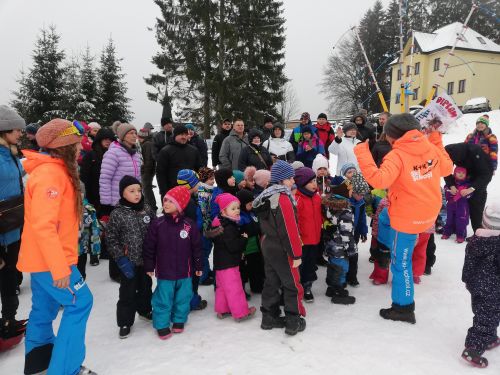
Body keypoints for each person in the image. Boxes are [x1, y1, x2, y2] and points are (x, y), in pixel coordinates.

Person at [354, 113, 453, 323]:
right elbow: (446, 168)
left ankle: (403, 308)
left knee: (401, 263)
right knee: (384, 217)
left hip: (409, 218)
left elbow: (379, 180)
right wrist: (436, 138)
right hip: (427, 211)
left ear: (392, 136)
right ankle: (383, 248)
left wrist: (363, 153)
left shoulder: (397, 155)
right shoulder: (429, 146)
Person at [17, 119, 95, 375]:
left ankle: (39, 360)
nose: (80, 148)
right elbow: (44, 225)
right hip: (52, 261)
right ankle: (66, 369)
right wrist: (59, 267)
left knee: (45, 307)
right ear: (63, 146)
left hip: (43, 260)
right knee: (81, 302)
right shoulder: (50, 175)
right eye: (76, 143)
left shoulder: (56, 170)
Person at [253, 160, 306, 335]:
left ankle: (269, 316)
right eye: (290, 178)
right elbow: (289, 230)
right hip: (283, 248)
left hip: (268, 245)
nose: (293, 181)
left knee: (272, 281)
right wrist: (296, 254)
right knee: (291, 283)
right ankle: (293, 319)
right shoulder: (282, 199)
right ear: (282, 180)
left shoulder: (266, 195)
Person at [143, 186, 203, 340]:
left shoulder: (189, 225)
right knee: (163, 298)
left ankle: (179, 320)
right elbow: (149, 246)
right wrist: (149, 266)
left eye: (171, 201)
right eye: (165, 200)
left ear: (180, 205)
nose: (166, 203)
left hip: (185, 272)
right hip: (165, 272)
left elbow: (197, 247)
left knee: (183, 297)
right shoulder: (158, 224)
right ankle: (162, 324)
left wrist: (198, 265)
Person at [106, 176, 155, 339]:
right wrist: (120, 258)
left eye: (139, 190)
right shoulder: (117, 214)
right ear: (122, 193)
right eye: (132, 191)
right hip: (128, 262)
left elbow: (156, 231)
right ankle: (125, 321)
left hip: (146, 260)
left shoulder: (147, 209)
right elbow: (111, 238)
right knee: (127, 293)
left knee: (146, 287)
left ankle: (145, 309)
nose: (137, 194)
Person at [0, 106, 27, 351]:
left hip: (14, 228)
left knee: (9, 278)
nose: (21, 133)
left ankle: (8, 319)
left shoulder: (11, 154)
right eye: (17, 129)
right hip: (1, 233)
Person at [460, 203, 500, 369]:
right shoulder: (497, 245)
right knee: (486, 318)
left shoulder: (475, 242)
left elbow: (468, 265)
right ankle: (473, 348)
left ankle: (489, 337)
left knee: (486, 314)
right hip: (493, 289)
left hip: (476, 286)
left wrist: (468, 281)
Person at [211, 193, 256, 321]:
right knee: (235, 288)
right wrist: (243, 238)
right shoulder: (229, 227)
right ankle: (241, 312)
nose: (237, 211)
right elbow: (233, 246)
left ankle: (223, 309)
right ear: (223, 210)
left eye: (238, 208)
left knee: (223, 288)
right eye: (233, 208)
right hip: (229, 264)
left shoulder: (219, 223)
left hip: (220, 264)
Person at [444, 143, 493, 233]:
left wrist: (472, 188)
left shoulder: (476, 152)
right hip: (463, 178)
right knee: (458, 206)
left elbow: (486, 175)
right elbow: (445, 170)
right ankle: (456, 228)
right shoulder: (446, 152)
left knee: (476, 206)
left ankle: (478, 233)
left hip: (478, 178)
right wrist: (451, 184)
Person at [322, 193, 356, 304]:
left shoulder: (332, 212)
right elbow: (346, 234)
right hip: (340, 248)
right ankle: (339, 291)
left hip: (332, 247)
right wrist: (348, 249)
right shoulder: (346, 214)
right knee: (341, 269)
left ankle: (331, 288)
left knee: (332, 267)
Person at [294, 167, 322, 303]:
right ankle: (297, 287)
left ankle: (307, 287)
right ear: (302, 183)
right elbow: (295, 220)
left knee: (311, 264)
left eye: (315, 181)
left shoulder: (317, 197)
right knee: (301, 265)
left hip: (315, 239)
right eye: (311, 182)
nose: (314, 184)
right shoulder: (297, 199)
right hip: (302, 241)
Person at [99, 123, 142, 209]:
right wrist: (106, 202)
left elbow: (138, 178)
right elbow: (105, 178)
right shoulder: (113, 153)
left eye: (135, 133)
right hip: (117, 201)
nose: (134, 136)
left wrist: (140, 194)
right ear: (122, 136)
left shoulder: (136, 155)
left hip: (133, 200)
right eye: (131, 133)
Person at [156, 125, 202, 198]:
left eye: (186, 135)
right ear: (175, 135)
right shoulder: (165, 151)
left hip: (191, 190)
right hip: (172, 191)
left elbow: (199, 169)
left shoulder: (193, 150)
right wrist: (164, 192)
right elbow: (161, 173)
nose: (184, 137)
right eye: (181, 134)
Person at [80, 127, 116, 215]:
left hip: (112, 195)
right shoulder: (91, 155)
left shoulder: (116, 155)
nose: (108, 141)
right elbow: (84, 176)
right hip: (93, 195)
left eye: (110, 139)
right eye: (105, 139)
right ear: (99, 139)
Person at [237, 189, 265, 295]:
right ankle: (241, 291)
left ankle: (257, 286)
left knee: (256, 267)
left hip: (255, 247)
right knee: (243, 271)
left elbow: (257, 225)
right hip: (244, 248)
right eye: (249, 204)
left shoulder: (253, 213)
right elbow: (246, 230)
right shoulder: (240, 216)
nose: (252, 205)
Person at [346, 172, 370, 287]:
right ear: (352, 191)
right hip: (344, 233)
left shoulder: (361, 202)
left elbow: (362, 218)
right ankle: (342, 276)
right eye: (359, 194)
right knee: (344, 256)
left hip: (354, 233)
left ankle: (352, 277)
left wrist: (363, 231)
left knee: (354, 255)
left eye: (363, 194)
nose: (361, 197)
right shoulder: (345, 202)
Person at [77, 183, 101, 279]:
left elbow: (95, 230)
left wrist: (95, 250)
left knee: (81, 273)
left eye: (80, 192)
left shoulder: (89, 210)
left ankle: (81, 284)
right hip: (67, 250)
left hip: (83, 248)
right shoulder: (62, 209)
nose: (77, 194)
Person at [442, 167, 472, 243]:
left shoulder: (467, 184)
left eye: (463, 173)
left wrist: (466, 193)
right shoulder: (451, 183)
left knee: (461, 221)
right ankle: (447, 232)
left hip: (462, 206)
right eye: (459, 172)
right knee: (449, 220)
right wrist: (450, 192)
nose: (461, 174)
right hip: (451, 206)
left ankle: (460, 235)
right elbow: (445, 190)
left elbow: (470, 194)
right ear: (455, 174)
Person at [197, 167, 216, 285]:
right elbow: (204, 212)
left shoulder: (209, 190)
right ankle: (202, 277)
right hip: (205, 227)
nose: (213, 181)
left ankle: (207, 271)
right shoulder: (203, 192)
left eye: (213, 178)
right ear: (204, 179)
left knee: (206, 250)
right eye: (211, 179)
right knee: (204, 251)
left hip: (207, 225)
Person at [138, 128, 157, 212]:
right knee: (146, 188)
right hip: (147, 170)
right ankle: (149, 205)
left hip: (147, 171)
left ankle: (152, 207)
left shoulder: (147, 144)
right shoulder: (145, 143)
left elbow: (148, 159)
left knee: (147, 189)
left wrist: (146, 172)